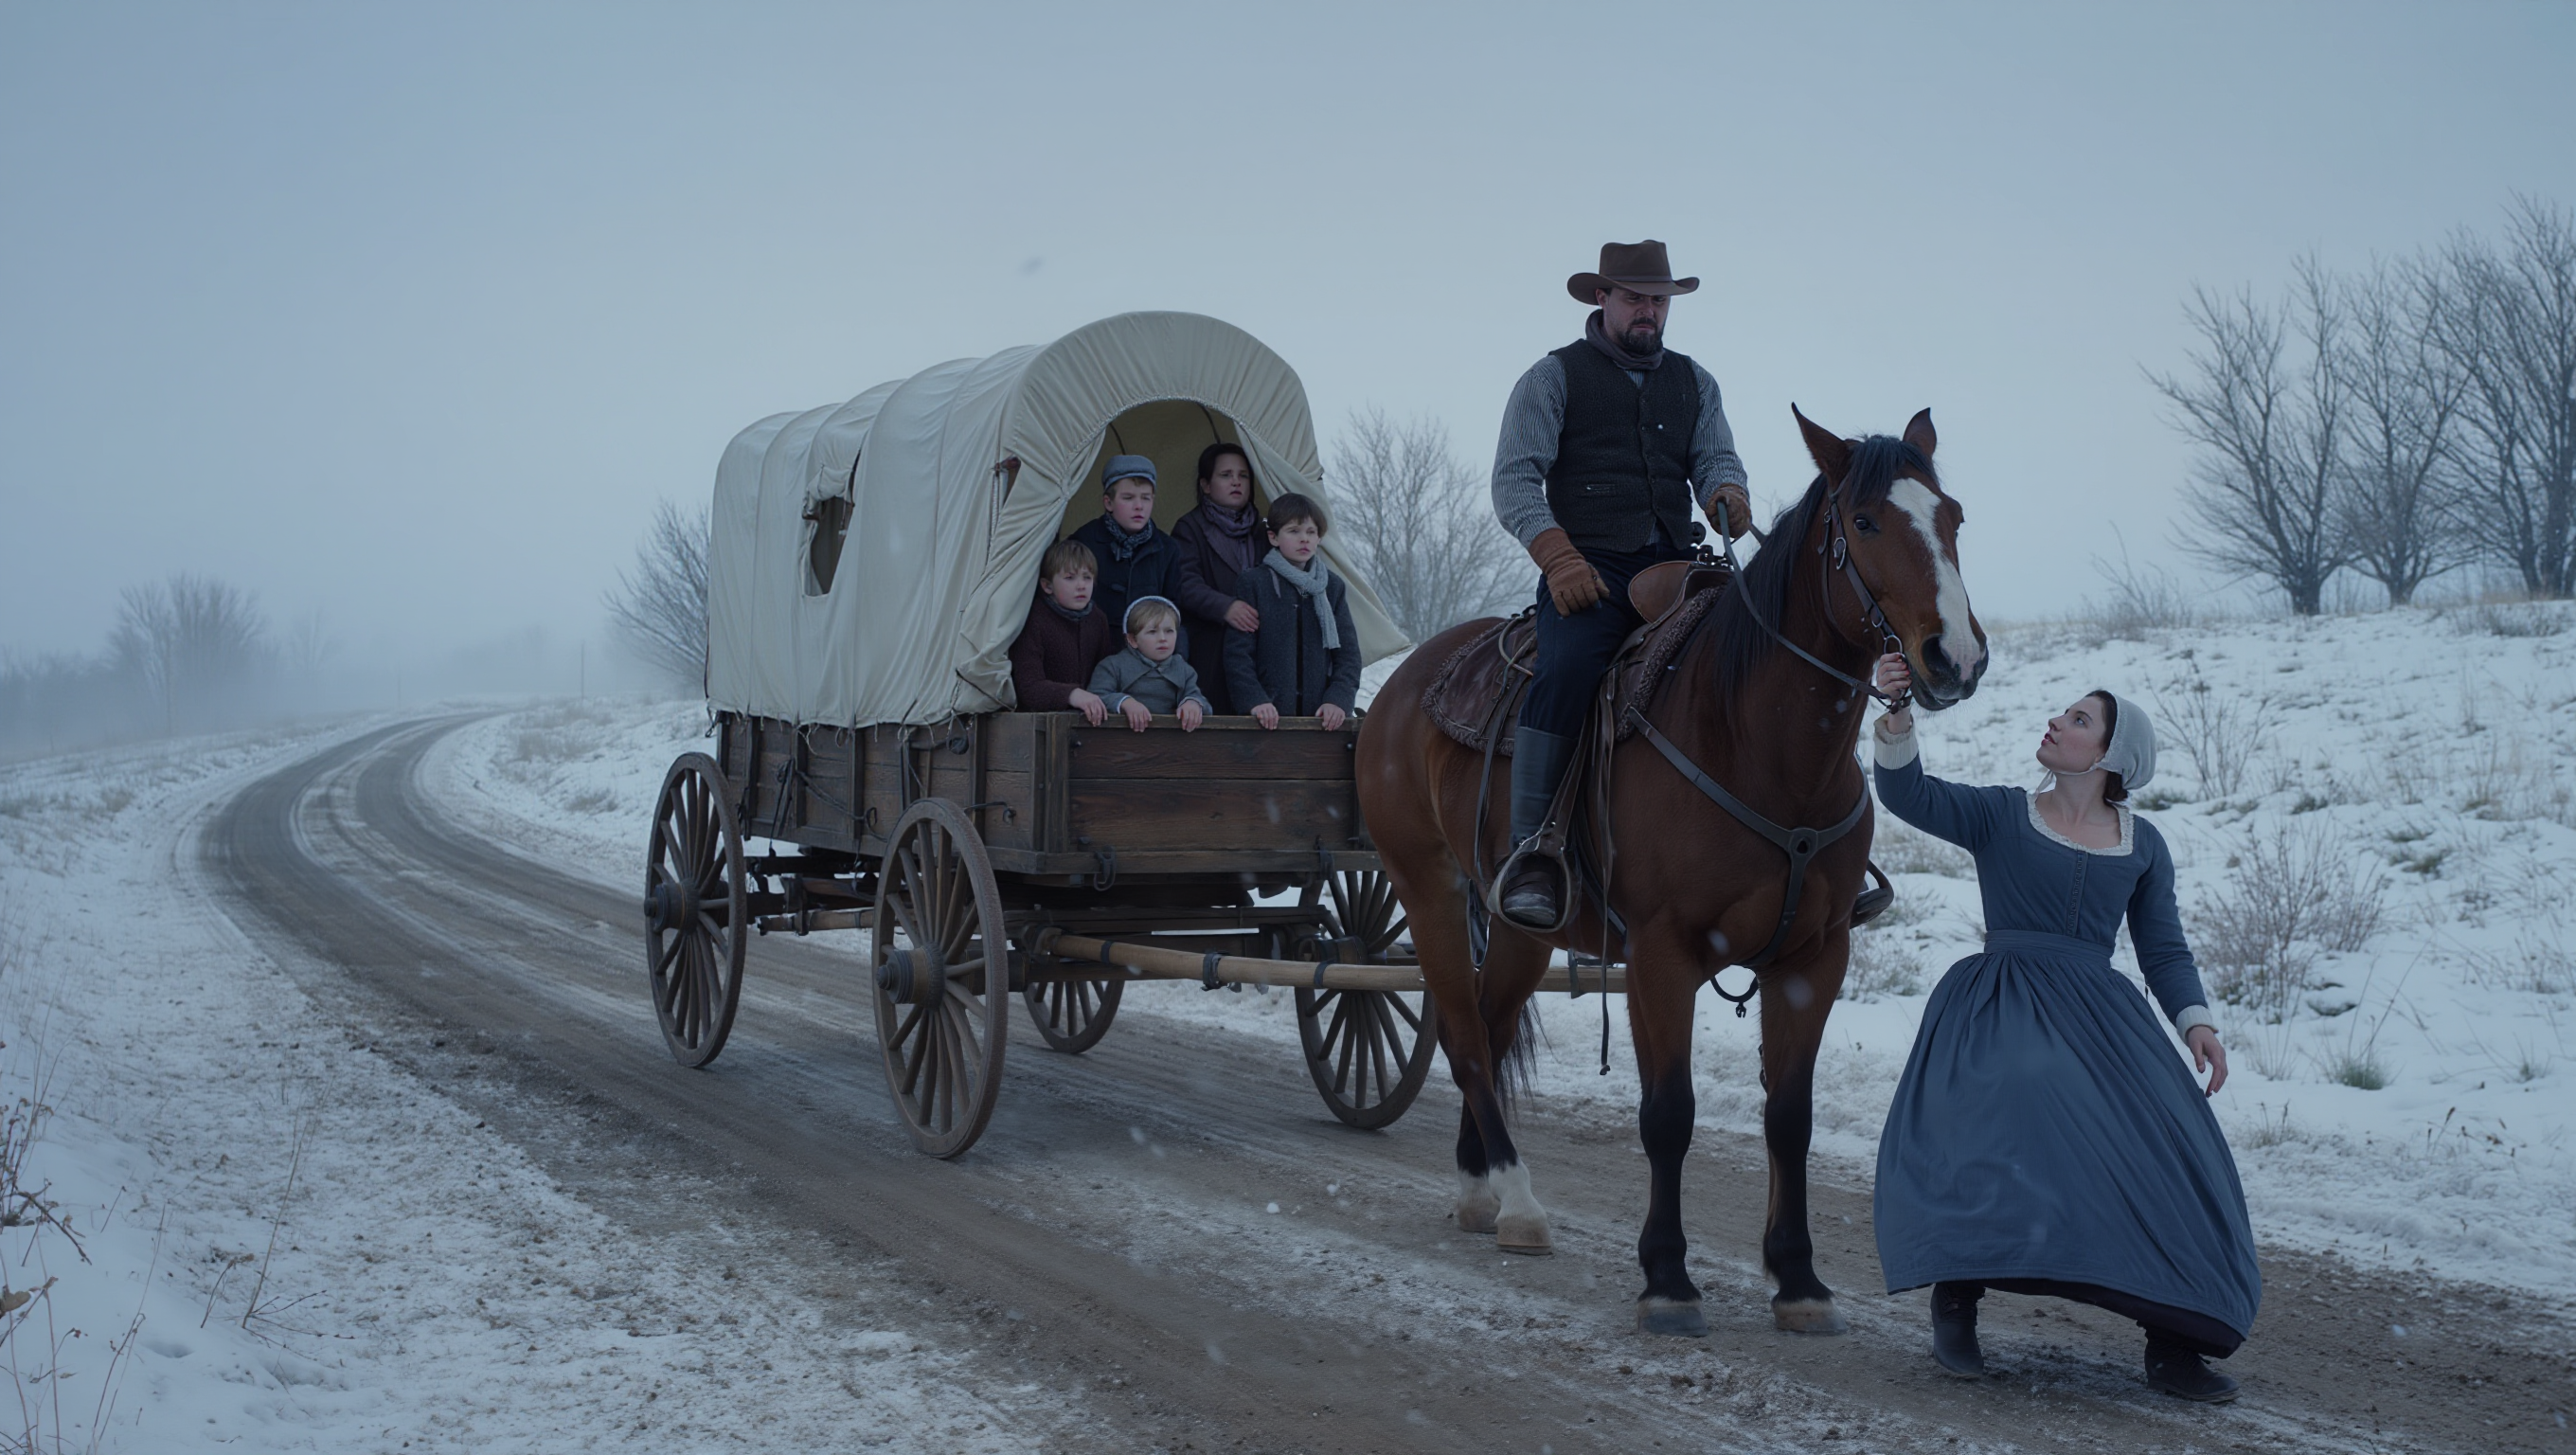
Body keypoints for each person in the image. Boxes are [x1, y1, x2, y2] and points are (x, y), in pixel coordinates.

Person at [1868, 652, 2261, 1404]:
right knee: (2014, 1096)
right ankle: (1957, 1294)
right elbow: (1908, 792)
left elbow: (2163, 946)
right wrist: (1895, 716)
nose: (2056, 722)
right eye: (2063, 713)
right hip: (2002, 1002)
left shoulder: (2142, 844)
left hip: (2101, 1012)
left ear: (2111, 755)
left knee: (2169, 1140)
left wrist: (2196, 1023)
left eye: (2078, 719)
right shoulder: (1998, 813)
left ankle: (2176, 1338)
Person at [1487, 240, 1755, 928]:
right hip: (1589, 572)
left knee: (1755, 656)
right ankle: (1535, 851)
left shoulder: (1696, 382)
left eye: (1659, 300)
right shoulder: (1551, 379)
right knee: (1570, 669)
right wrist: (1558, 557)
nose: (1649, 311)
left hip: (1679, 568)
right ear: (1602, 298)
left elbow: (1717, 456)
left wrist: (1727, 489)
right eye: (1635, 298)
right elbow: (1516, 479)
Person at [1225, 494, 1359, 731]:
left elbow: (1347, 656)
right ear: (1273, 537)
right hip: (1265, 719)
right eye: (1294, 531)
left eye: (1311, 532)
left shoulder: (1333, 587)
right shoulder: (1254, 582)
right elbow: (1238, 654)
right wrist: (1254, 700)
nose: (1304, 539)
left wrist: (1338, 700)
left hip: (1320, 721)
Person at [1170, 442, 1265, 713]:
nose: (1236, 482)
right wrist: (1226, 607)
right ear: (1206, 485)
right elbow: (1184, 584)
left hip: (1258, 651)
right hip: (1211, 650)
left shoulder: (1265, 530)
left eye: (1243, 475)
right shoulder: (1189, 527)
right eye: (1226, 475)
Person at [1070, 455, 1187, 644]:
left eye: (1146, 498)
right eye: (1128, 498)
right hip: (1094, 649)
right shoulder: (1084, 543)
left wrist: (1176, 659)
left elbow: (1173, 610)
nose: (1139, 506)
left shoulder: (1167, 548)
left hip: (1147, 655)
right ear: (1108, 503)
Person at [1008, 539, 1118, 725]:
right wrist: (1072, 694)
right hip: (1037, 726)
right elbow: (1028, 687)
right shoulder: (1032, 619)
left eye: (1087, 577)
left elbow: (1106, 674)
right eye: (1070, 578)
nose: (1081, 585)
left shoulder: (1097, 619)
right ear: (1047, 586)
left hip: (1090, 725)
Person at [1086, 597, 1211, 733]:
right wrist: (1125, 702)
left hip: (1170, 742)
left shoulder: (1183, 669)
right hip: (1120, 742)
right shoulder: (1113, 666)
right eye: (1152, 632)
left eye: (1169, 631)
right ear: (1133, 640)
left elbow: (1200, 700)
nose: (1163, 638)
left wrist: (1193, 703)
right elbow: (1096, 696)